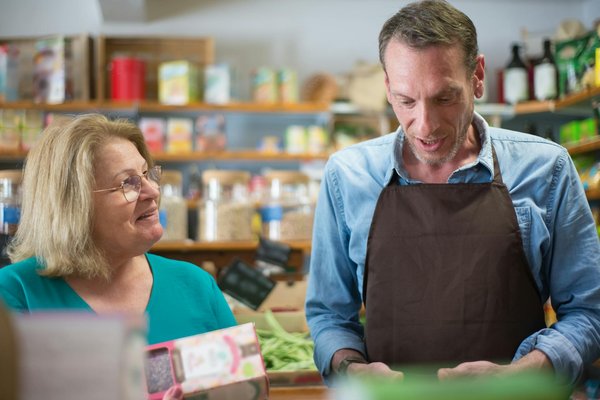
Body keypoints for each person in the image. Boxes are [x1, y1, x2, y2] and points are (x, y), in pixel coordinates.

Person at [305, 0, 600, 387]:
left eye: (444, 98)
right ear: (388, 87)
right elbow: (328, 315)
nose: (425, 125)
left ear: (477, 76)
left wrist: (525, 373)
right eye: (406, 101)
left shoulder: (547, 169)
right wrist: (351, 368)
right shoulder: (347, 176)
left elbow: (589, 311)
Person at [0, 114, 237, 399]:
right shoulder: (15, 292)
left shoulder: (195, 285)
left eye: (148, 174)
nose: (152, 191)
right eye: (128, 183)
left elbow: (238, 388)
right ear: (74, 205)